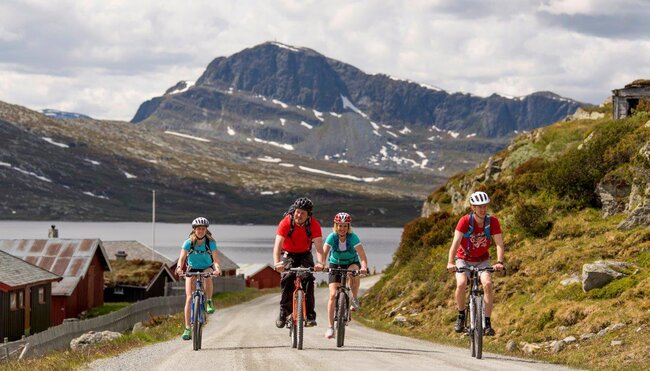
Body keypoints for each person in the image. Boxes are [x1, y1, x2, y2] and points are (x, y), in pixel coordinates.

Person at [446, 191, 504, 336]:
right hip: (463, 259)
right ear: (473, 207)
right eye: (479, 206)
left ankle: (487, 322)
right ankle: (461, 316)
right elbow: (455, 243)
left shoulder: (493, 222)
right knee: (461, 283)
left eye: (485, 206)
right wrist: (450, 262)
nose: (483, 209)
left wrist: (499, 262)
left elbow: (499, 244)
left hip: (482, 260)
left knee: (488, 284)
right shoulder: (465, 221)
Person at [273, 197, 325, 328]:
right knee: (287, 277)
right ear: (294, 211)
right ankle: (283, 312)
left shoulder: (314, 224)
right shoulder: (286, 222)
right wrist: (277, 263)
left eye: (303, 213)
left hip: (304, 254)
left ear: (308, 215)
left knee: (307, 278)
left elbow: (319, 247)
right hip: (287, 253)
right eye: (297, 212)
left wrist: (321, 263)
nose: (299, 215)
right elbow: (277, 246)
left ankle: (310, 315)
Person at [323, 212, 368, 339]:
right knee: (332, 295)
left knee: (353, 272)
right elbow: (323, 253)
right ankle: (330, 328)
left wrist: (363, 267)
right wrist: (321, 264)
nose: (342, 228)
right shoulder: (332, 237)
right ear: (335, 226)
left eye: (345, 226)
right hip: (335, 264)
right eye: (339, 226)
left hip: (351, 262)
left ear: (348, 227)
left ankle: (354, 298)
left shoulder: (353, 237)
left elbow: (363, 257)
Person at [175, 217, 221, 340]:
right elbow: (182, 259)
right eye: (198, 229)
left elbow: (216, 259)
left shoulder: (210, 242)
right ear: (194, 230)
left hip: (206, 267)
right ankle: (187, 328)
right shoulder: (188, 242)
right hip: (192, 268)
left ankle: (209, 301)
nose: (201, 231)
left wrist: (217, 268)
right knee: (189, 298)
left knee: (207, 275)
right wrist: (179, 268)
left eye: (203, 229)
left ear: (206, 230)